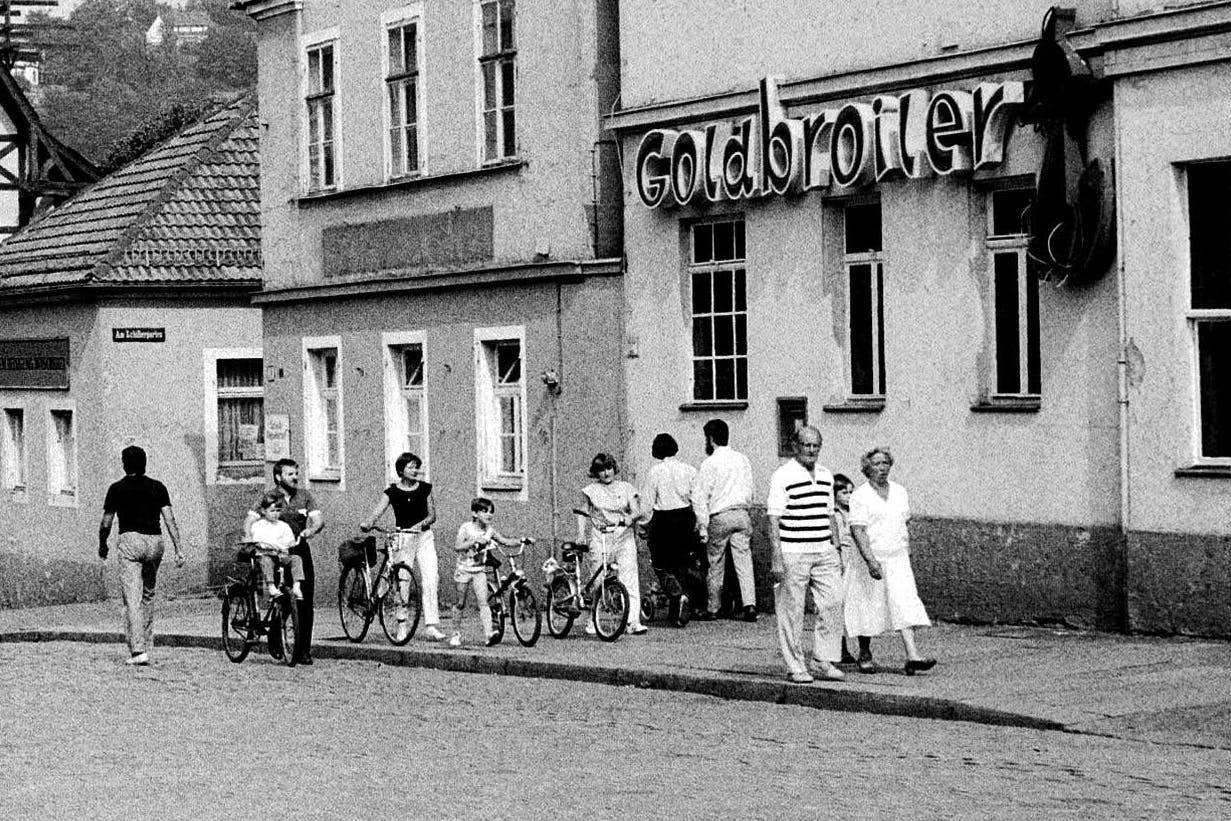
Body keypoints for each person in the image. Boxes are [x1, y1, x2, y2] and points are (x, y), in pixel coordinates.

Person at [845, 447, 937, 676]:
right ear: (867, 468)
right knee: (868, 604)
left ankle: (912, 654)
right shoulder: (860, 495)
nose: (882, 468)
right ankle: (865, 654)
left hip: (897, 557)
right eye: (877, 464)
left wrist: (907, 551)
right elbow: (858, 530)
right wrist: (870, 561)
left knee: (903, 602)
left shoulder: (899, 492)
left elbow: (904, 524)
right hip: (871, 558)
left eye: (886, 463)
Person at [766, 426, 845, 684]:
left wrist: (836, 546)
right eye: (806, 445)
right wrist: (776, 558)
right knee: (792, 611)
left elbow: (830, 512)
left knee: (833, 601)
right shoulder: (783, 475)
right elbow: (773, 518)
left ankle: (823, 660)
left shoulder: (825, 475)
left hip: (823, 550)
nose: (811, 450)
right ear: (795, 446)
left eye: (816, 446)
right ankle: (795, 665)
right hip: (793, 551)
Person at [98, 445, 185, 666]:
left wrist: (103, 544)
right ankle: (147, 643)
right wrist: (178, 548)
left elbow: (106, 522)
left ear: (124, 464)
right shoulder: (158, 487)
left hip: (130, 541)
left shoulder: (116, 489)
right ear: (144, 464)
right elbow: (169, 519)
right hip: (155, 542)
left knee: (132, 599)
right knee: (148, 594)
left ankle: (138, 650)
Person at [360, 452, 446, 642]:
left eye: (417, 467)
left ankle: (431, 625)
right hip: (402, 538)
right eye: (411, 467)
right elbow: (378, 511)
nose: (416, 470)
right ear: (401, 471)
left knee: (431, 578)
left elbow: (432, 515)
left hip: (423, 537)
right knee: (402, 581)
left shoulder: (425, 489)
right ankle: (401, 625)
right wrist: (368, 522)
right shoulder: (392, 492)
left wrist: (421, 524)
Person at [244, 458, 323, 665]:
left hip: (297, 550)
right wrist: (249, 536)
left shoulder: (305, 496)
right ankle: (275, 638)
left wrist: (311, 530)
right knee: (282, 597)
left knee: (304, 600)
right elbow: (250, 518)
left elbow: (318, 520)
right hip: (272, 552)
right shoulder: (268, 496)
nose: (295, 477)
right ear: (279, 477)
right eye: (290, 474)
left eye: (296, 473)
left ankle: (303, 649)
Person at [691, 419, 757, 622]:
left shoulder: (709, 463)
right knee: (744, 560)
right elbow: (751, 489)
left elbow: (700, 496)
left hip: (720, 515)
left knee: (716, 562)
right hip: (742, 513)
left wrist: (702, 524)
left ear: (710, 439)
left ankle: (713, 607)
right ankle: (750, 605)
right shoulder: (742, 459)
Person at [577, 452, 648, 635]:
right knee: (598, 579)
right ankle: (593, 620)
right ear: (596, 472)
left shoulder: (625, 488)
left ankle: (632, 621)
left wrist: (629, 519)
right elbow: (583, 513)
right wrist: (580, 534)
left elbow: (636, 511)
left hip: (623, 536)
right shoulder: (591, 490)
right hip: (600, 536)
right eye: (601, 470)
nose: (606, 473)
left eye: (609, 468)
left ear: (614, 469)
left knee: (629, 577)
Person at [641, 433, 698, 625]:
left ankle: (677, 594)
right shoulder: (689, 470)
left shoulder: (655, 472)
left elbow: (648, 503)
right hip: (685, 518)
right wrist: (702, 524)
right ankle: (677, 614)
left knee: (660, 564)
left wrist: (643, 525)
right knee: (680, 564)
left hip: (663, 520)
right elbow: (697, 499)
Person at [451, 497, 522, 647]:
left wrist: (521, 540)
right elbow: (458, 546)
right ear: (475, 513)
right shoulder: (466, 528)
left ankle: (489, 634)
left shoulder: (490, 530)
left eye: (491, 512)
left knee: (483, 602)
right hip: (463, 569)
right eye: (484, 511)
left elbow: (505, 541)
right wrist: (474, 542)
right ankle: (456, 633)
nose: (489, 515)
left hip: (479, 570)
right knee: (460, 603)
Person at [250, 492, 305, 601]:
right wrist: (277, 545)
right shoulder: (258, 526)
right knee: (266, 561)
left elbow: (290, 541)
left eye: (278, 511)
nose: (275, 514)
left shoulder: (283, 526)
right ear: (264, 511)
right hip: (266, 556)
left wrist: (276, 545)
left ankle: (296, 586)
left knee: (296, 559)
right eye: (272, 511)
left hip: (282, 556)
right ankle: (271, 587)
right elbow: (260, 541)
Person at [832, 473, 859, 665]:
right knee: (837, 606)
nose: (849, 496)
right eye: (844, 492)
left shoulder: (854, 512)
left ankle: (845, 648)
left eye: (851, 492)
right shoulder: (833, 514)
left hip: (853, 562)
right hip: (840, 561)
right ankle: (839, 648)